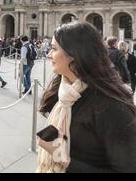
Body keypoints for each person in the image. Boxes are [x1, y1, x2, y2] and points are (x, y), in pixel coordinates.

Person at [37, 21, 136, 172]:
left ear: (75, 54)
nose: (49, 55)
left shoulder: (111, 107)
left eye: (54, 49)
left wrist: (65, 160)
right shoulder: (64, 92)